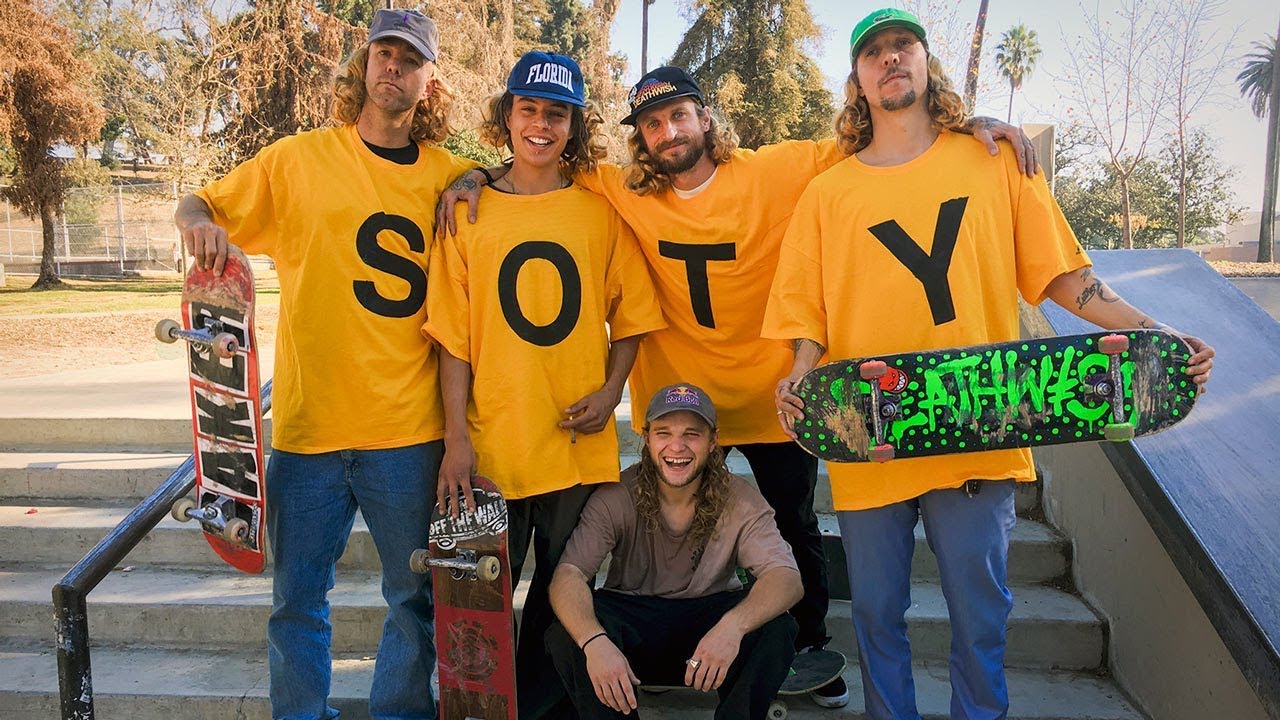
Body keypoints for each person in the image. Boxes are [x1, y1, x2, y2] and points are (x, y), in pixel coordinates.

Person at [438, 64, 1038, 710]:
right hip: (687, 400)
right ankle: (665, 635)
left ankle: (805, 645)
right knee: (671, 516)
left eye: (678, 115)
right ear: (641, 137)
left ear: (705, 117)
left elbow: (873, 134)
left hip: (773, 393)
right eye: (652, 124)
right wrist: (474, 176)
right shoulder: (624, 188)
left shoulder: (772, 170)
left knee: (793, 521)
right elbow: (539, 163)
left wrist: (959, 124)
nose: (668, 132)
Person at [762, 9, 1217, 720]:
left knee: (980, 617)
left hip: (979, 423)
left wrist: (1154, 331)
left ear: (925, 60)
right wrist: (797, 374)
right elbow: (804, 312)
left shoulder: (995, 162)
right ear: (857, 79)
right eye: (874, 52)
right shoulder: (828, 193)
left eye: (903, 45)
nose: (890, 59)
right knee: (876, 616)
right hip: (872, 426)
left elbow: (1064, 277)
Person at [174, 9, 476, 719]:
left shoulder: (450, 175)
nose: (393, 66)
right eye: (383, 52)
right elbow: (199, 201)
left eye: (410, 58)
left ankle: (399, 712)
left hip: (407, 430)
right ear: (362, 64)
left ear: (430, 82)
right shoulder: (298, 160)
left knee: (414, 597)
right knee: (296, 599)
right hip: (309, 429)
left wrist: (480, 179)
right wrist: (197, 225)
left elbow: (507, 185)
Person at [423, 51, 665, 719]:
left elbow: (633, 316)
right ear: (506, 116)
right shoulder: (466, 211)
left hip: (573, 446)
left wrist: (612, 392)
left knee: (563, 601)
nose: (541, 124)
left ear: (574, 125)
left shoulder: (599, 212)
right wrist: (455, 439)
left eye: (557, 114)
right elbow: (452, 340)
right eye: (527, 109)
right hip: (494, 446)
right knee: (481, 606)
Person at [546, 383, 803, 720]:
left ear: (713, 442)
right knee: (568, 632)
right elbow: (569, 574)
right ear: (647, 438)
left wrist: (733, 627)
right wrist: (594, 641)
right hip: (634, 623)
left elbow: (786, 579)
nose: (677, 446)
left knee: (776, 630)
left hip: (709, 631)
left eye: (691, 434)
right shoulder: (617, 495)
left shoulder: (740, 498)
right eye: (663, 433)